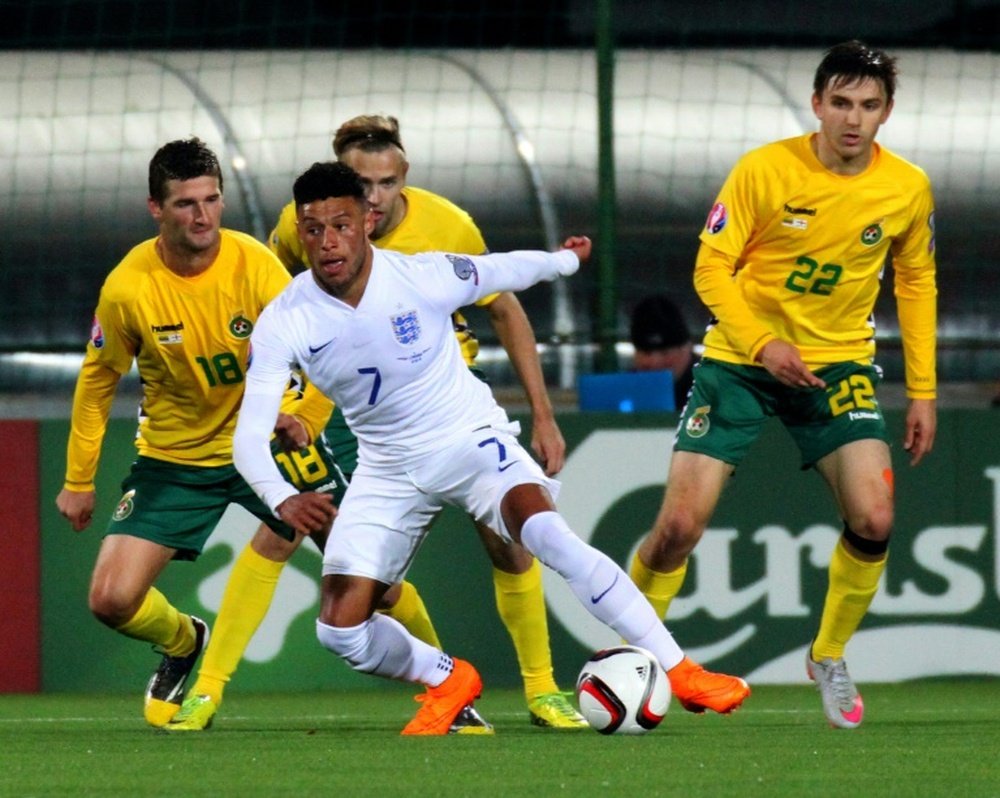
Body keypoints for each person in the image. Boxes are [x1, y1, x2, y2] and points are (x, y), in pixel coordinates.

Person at [230, 160, 750, 735]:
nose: (327, 242)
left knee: (546, 533)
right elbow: (248, 438)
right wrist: (281, 498)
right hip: (386, 467)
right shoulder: (284, 321)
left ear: (367, 223)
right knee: (338, 629)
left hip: (468, 440)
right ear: (299, 233)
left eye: (341, 225)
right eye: (313, 229)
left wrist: (563, 260)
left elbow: (499, 271)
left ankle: (680, 670)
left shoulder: (419, 276)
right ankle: (448, 678)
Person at [170, 114, 583, 732]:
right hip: (347, 410)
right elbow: (294, 307)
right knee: (282, 532)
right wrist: (291, 402)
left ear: (404, 177)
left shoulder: (449, 226)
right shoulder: (302, 223)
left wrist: (542, 414)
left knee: (508, 541)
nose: (374, 199)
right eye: (362, 184)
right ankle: (207, 689)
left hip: (447, 405)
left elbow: (505, 308)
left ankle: (542, 691)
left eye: (386, 184)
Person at [628, 40, 937, 730]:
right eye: (842, 103)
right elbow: (710, 270)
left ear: (887, 111)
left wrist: (924, 390)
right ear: (817, 104)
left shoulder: (907, 188)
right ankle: (633, 651)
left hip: (838, 366)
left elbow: (916, 281)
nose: (854, 119)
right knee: (677, 528)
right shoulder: (765, 170)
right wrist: (763, 343)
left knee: (875, 518)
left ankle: (827, 655)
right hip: (740, 360)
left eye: (869, 105)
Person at [54, 138, 333, 729]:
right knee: (110, 600)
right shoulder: (130, 288)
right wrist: (78, 479)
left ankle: (449, 691)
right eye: (185, 204)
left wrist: (304, 415)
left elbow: (332, 349)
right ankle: (184, 640)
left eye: (211, 200)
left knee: (369, 578)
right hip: (176, 457)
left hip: (267, 445)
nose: (202, 216)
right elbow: (98, 381)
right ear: (156, 208)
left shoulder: (253, 263)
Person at [630, 293, 698, 408]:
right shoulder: (628, 390)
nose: (654, 362)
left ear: (687, 349)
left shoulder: (716, 391)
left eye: (665, 352)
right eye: (647, 353)